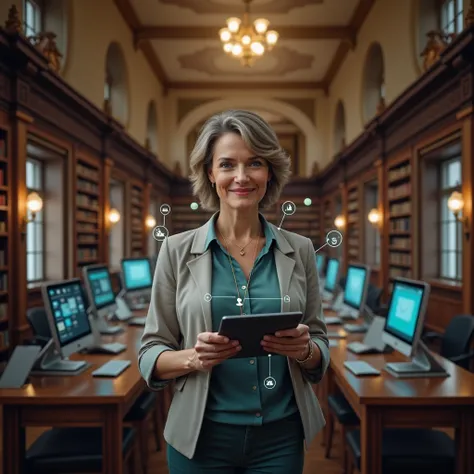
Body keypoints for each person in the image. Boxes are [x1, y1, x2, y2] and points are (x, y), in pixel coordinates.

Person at [138, 109, 329, 474]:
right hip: (200, 438)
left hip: (280, 437)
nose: (241, 177)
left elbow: (319, 343)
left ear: (269, 172)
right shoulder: (175, 251)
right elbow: (150, 353)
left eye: (254, 163)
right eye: (227, 164)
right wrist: (194, 358)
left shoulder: (301, 249)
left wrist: (305, 351)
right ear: (210, 174)